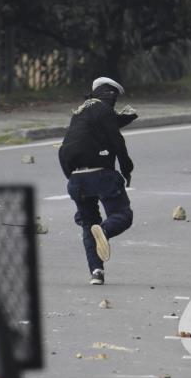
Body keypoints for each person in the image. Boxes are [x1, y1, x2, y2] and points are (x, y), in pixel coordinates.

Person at [59, 78, 137, 285]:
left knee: (88, 223)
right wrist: (127, 168)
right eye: (114, 95)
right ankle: (103, 231)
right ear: (109, 95)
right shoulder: (103, 110)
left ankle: (96, 272)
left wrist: (72, 179)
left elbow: (68, 147)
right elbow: (116, 141)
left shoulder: (79, 113)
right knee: (122, 215)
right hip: (101, 174)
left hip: (76, 178)